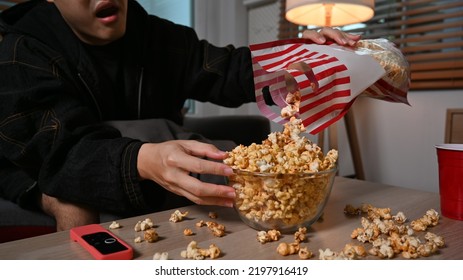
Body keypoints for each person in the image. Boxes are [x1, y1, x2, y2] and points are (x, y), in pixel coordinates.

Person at [0, 0, 360, 231]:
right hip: (39, 166)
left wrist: (293, 59)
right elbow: (60, 150)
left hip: (148, 150)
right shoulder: (20, 49)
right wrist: (142, 158)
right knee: (73, 200)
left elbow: (225, 70)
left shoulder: (158, 35)